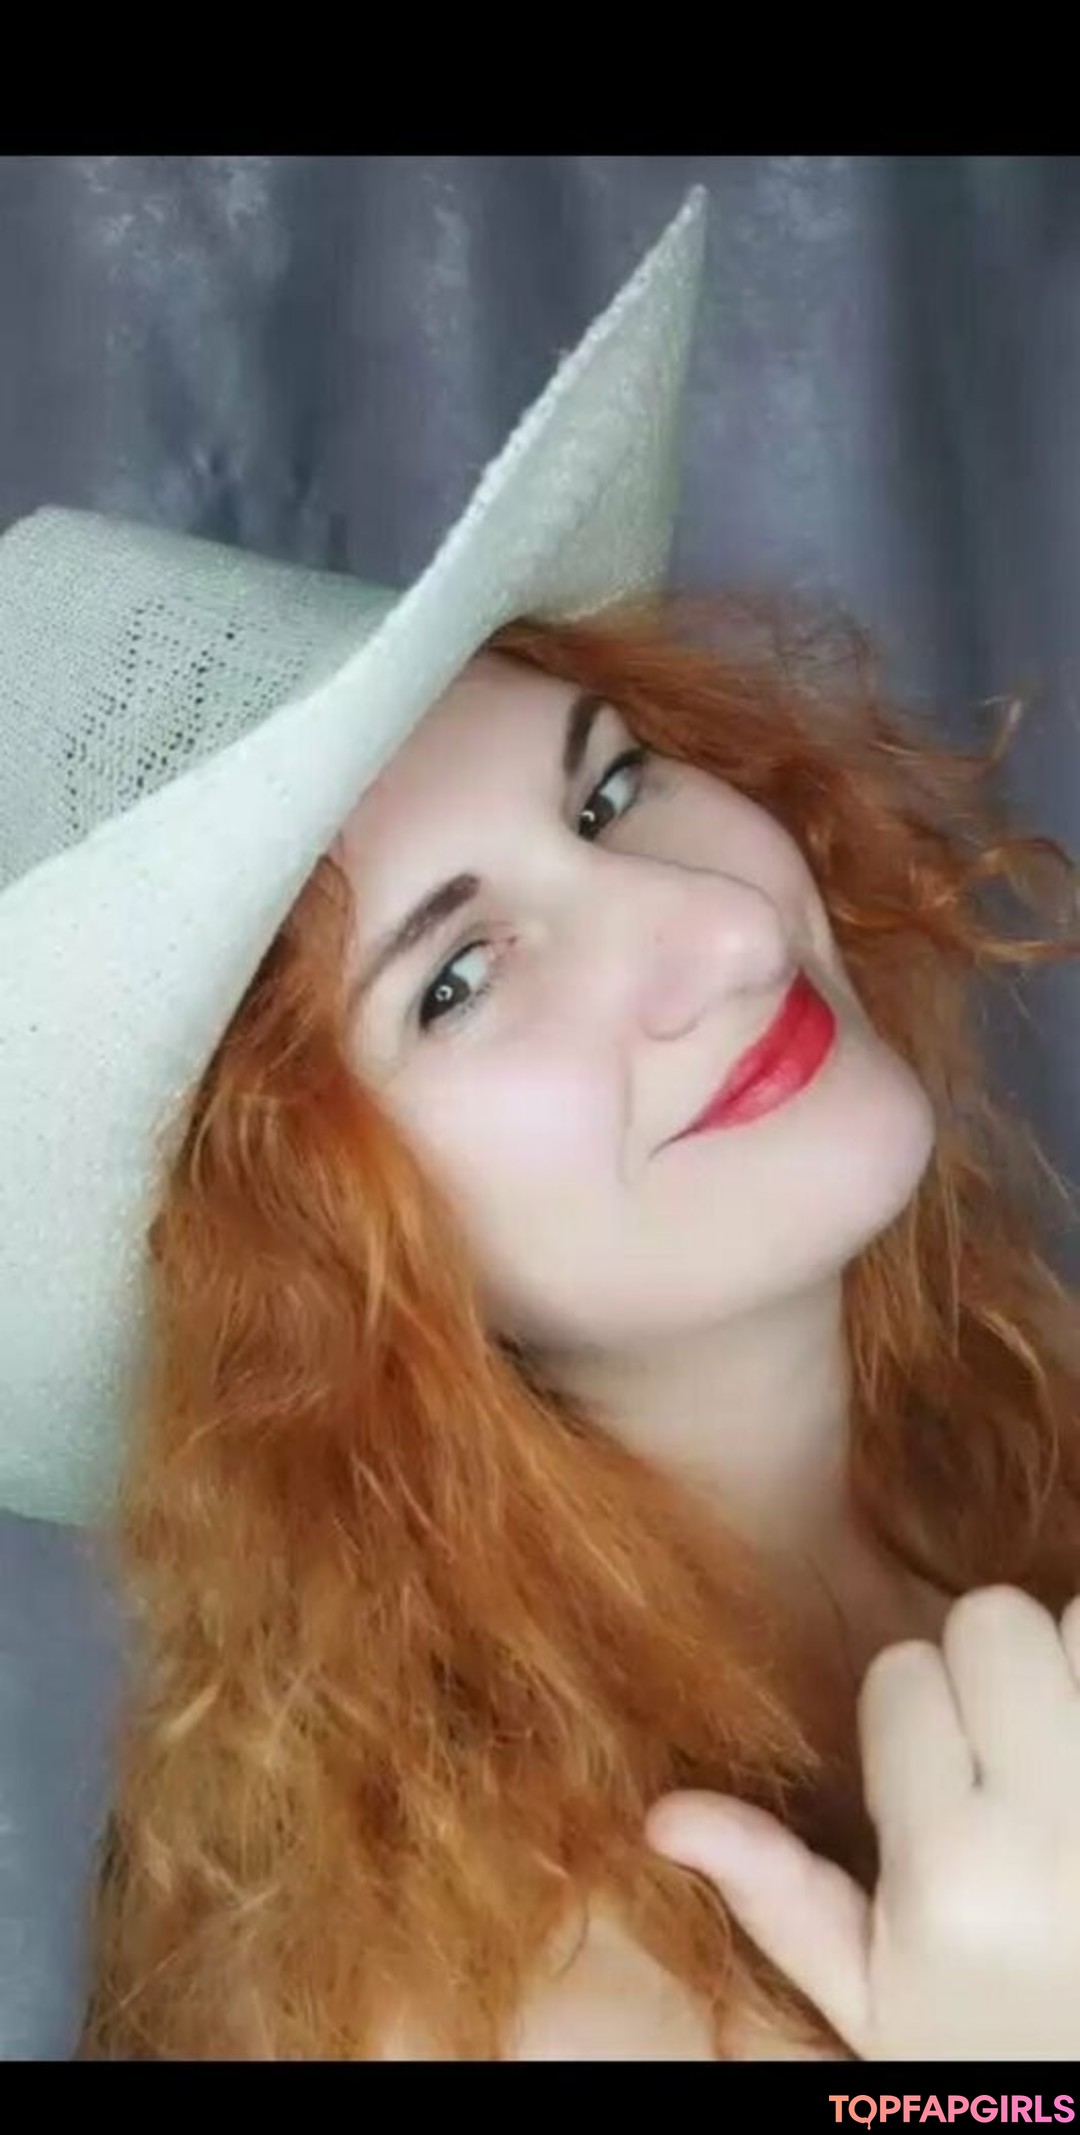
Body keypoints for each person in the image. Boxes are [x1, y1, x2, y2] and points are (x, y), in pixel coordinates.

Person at [1, 190, 1077, 2063]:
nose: (727, 929)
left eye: (612, 793)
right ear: (303, 1255)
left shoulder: (1004, 1451)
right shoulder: (504, 1999)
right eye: (457, 980)